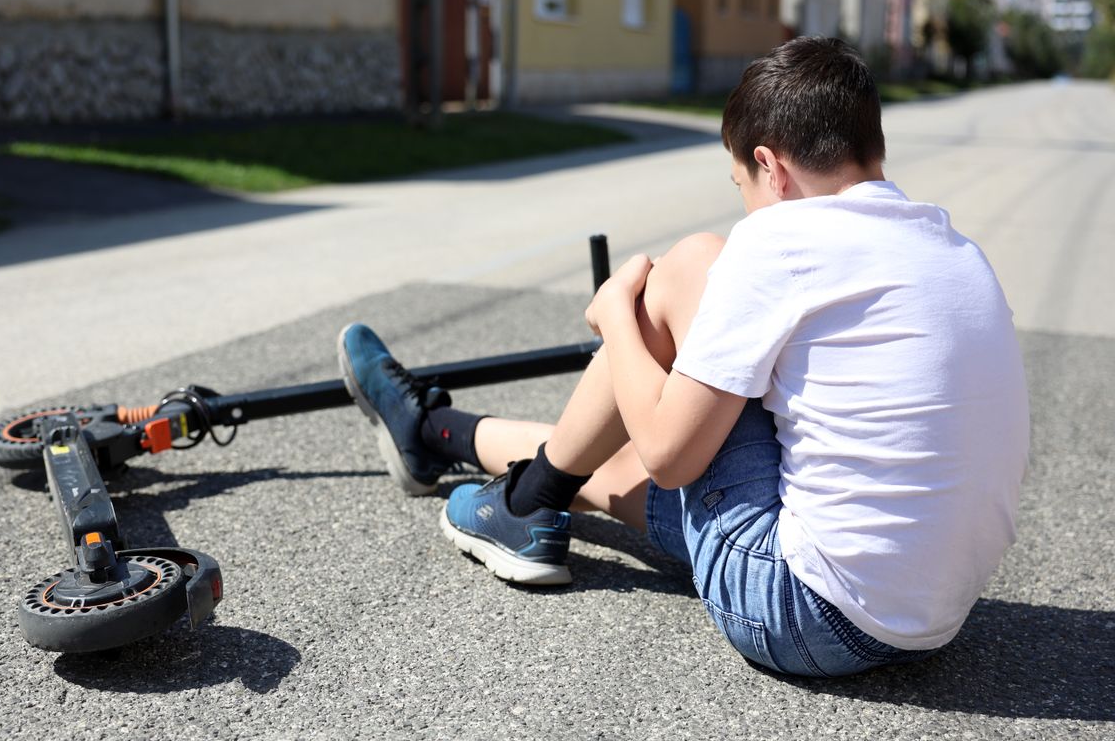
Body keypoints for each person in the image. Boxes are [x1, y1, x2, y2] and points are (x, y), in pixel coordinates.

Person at [336, 37, 1029, 677]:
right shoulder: (955, 251)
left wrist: (618, 319)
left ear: (770, 167)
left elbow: (671, 457)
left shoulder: (782, 241)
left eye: (743, 188)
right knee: (641, 450)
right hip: (929, 619)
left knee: (694, 265)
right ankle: (437, 434)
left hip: (799, 612)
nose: (750, 208)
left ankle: (513, 494)